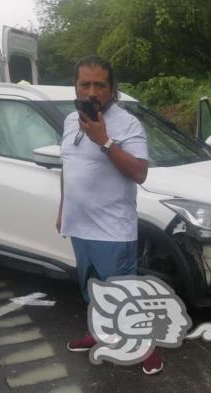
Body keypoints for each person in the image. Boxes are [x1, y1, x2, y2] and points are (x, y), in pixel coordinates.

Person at [57, 55, 163, 375]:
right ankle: (99, 333)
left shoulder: (127, 124)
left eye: (99, 85)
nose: (91, 92)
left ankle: (147, 348)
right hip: (80, 225)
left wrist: (103, 140)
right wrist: (63, 208)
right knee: (91, 289)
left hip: (112, 229)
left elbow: (140, 173)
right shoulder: (68, 121)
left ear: (112, 89)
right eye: (84, 84)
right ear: (75, 87)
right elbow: (68, 167)